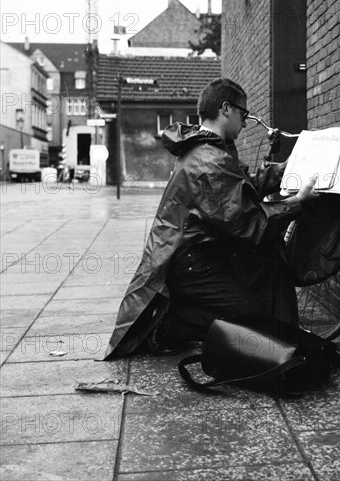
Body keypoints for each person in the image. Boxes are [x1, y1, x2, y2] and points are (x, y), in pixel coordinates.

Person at [104, 78, 319, 359]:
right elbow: (251, 224)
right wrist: (297, 203)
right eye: (244, 114)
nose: (245, 122)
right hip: (192, 264)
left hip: (188, 255)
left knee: (260, 288)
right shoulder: (210, 160)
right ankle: (172, 324)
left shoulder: (207, 148)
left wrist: (282, 170)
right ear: (226, 109)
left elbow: (239, 186)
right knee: (248, 318)